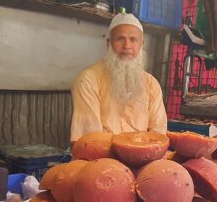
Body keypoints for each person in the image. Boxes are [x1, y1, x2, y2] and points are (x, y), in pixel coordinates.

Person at [70, 13, 167, 141]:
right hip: (102, 157)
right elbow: (89, 139)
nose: (127, 46)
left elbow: (158, 134)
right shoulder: (88, 79)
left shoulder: (151, 84)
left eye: (133, 39)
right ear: (108, 43)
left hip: (142, 157)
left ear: (141, 44)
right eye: (120, 39)